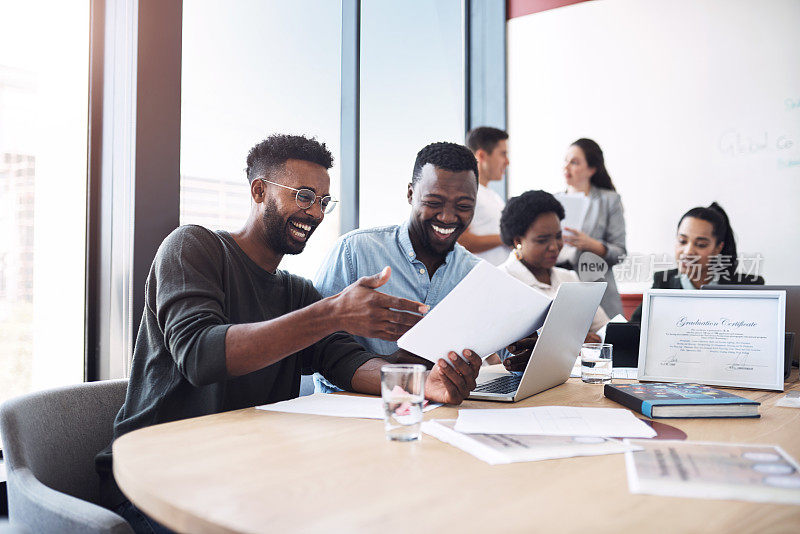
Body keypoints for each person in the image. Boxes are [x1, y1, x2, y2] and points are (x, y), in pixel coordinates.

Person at [95, 135, 481, 533]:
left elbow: (347, 362)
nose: (314, 211)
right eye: (303, 195)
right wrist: (329, 313)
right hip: (156, 481)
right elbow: (201, 356)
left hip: (247, 479)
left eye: (322, 201)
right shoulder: (192, 247)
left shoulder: (296, 291)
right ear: (259, 191)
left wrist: (423, 385)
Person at [313, 142, 484, 392]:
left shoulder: (475, 273)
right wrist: (390, 369)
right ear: (411, 194)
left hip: (444, 413)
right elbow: (317, 350)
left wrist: (523, 353)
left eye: (463, 206)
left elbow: (505, 347)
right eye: (434, 202)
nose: (447, 217)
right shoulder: (354, 251)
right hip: (354, 411)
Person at [630, 202, 763, 323]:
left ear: (718, 248)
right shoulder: (663, 282)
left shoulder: (749, 286)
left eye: (700, 244)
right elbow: (633, 332)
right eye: (682, 241)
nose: (688, 252)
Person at [556, 138, 626, 317]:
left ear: (592, 169)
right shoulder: (553, 201)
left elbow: (620, 253)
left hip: (598, 293)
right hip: (560, 288)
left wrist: (590, 244)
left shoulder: (609, 200)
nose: (566, 167)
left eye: (574, 162)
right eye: (566, 161)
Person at [457, 126, 511, 265]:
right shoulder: (465, 191)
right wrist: (506, 238)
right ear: (481, 155)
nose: (507, 161)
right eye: (502, 154)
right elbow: (460, 240)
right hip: (480, 279)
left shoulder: (494, 197)